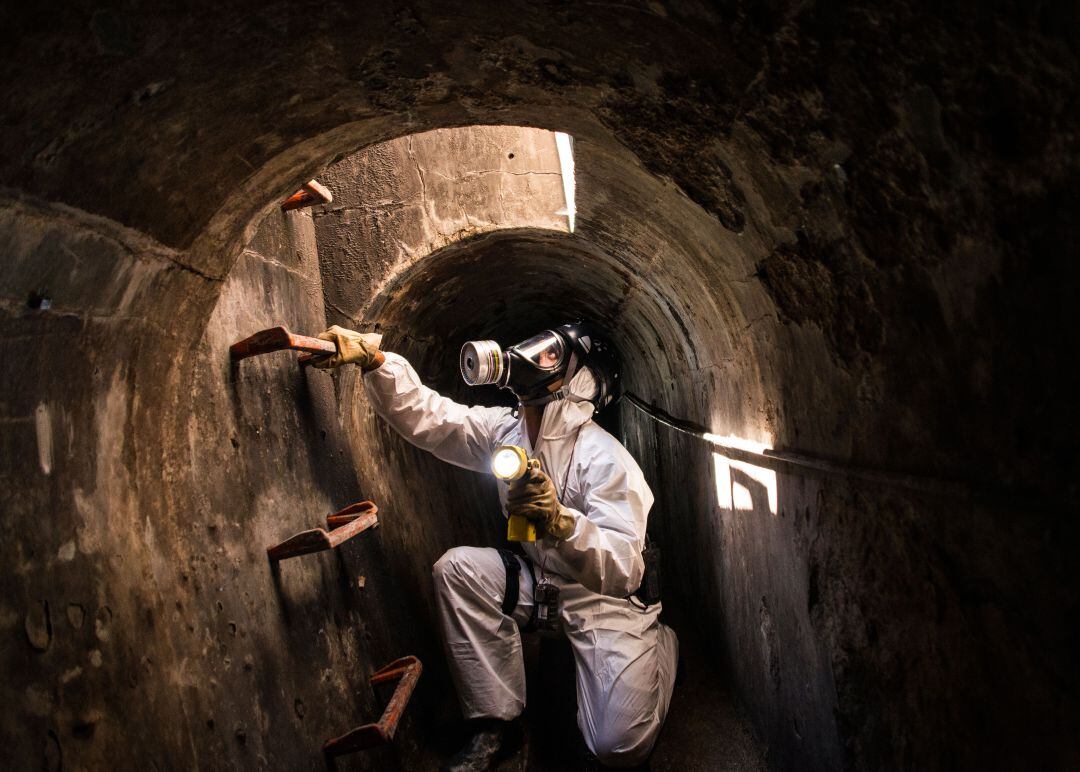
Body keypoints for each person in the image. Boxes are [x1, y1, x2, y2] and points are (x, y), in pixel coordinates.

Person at [313, 323, 678, 770]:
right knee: (457, 570)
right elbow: (432, 418)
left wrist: (562, 522)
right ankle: (497, 724)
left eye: (549, 355)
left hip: (604, 600)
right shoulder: (506, 430)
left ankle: (663, 644)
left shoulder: (606, 458)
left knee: (618, 747)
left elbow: (625, 570)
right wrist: (376, 361)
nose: (533, 358)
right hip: (543, 585)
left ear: (583, 380)